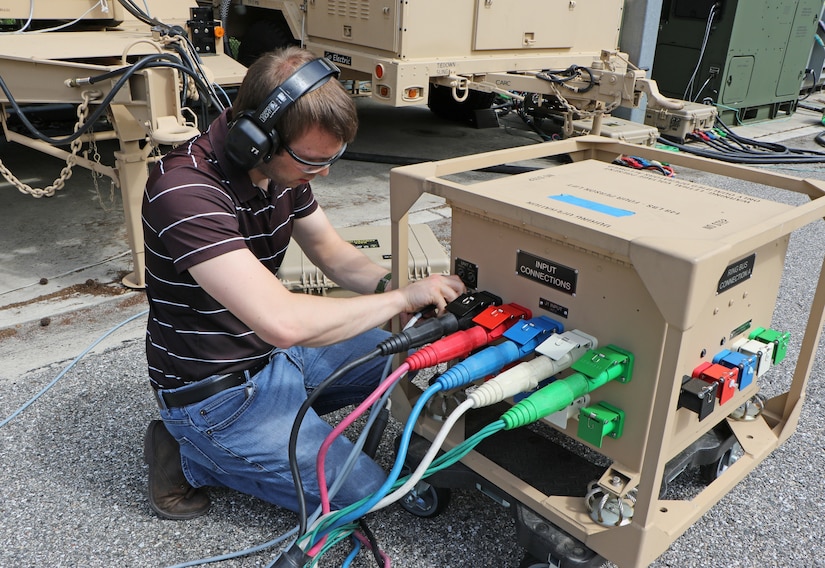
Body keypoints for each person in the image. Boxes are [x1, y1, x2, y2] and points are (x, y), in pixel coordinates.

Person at [141, 46, 465, 520]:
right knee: (371, 494)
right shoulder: (184, 191)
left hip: (276, 356)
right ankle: (191, 455)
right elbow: (283, 321)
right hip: (219, 395)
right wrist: (400, 296)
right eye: (312, 161)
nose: (324, 172)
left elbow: (334, 255)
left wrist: (402, 297)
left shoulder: (283, 170)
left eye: (332, 158)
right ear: (257, 139)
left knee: (409, 356)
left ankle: (287, 427)